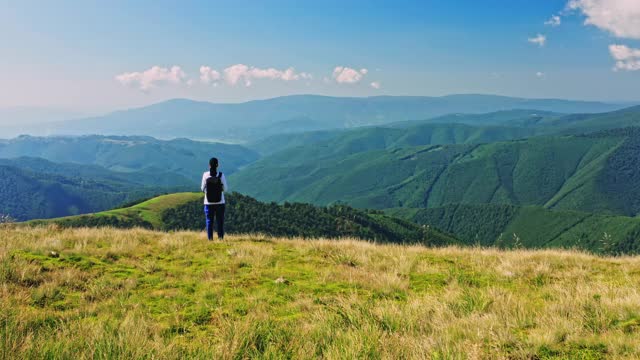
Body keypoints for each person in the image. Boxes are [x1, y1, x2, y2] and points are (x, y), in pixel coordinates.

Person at [201, 157, 228, 240]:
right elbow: (226, 189)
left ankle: (210, 239)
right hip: (220, 202)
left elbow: (202, 188)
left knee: (209, 221)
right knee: (220, 221)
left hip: (208, 203)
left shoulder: (205, 175)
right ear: (217, 165)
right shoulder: (221, 175)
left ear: (209, 165)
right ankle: (220, 238)